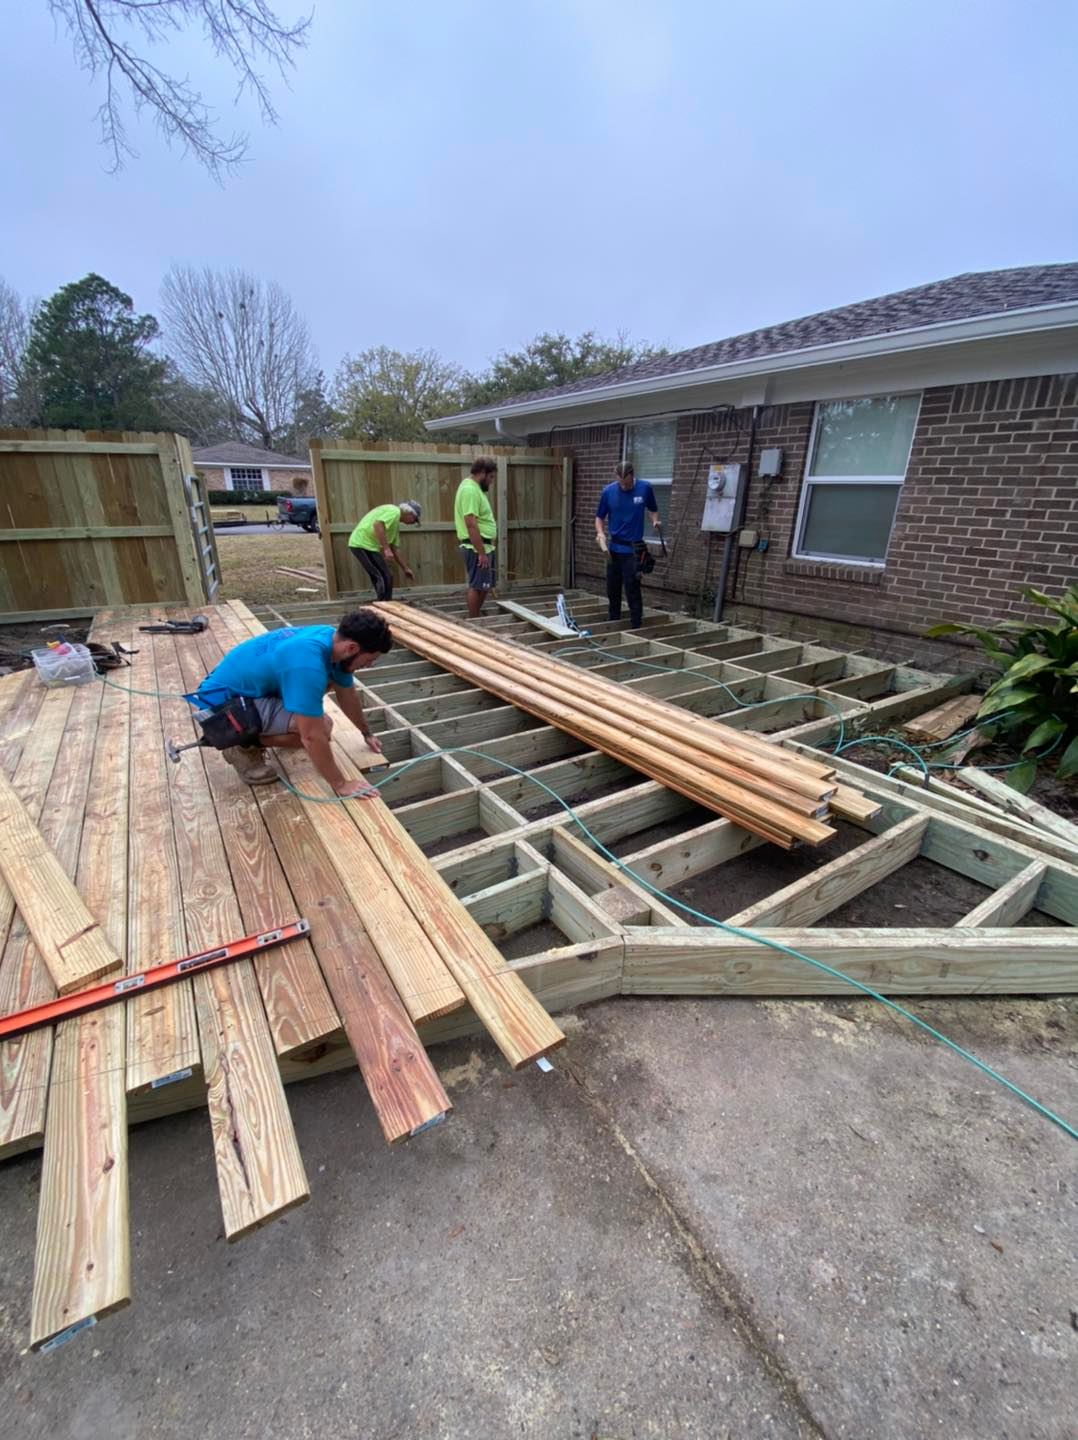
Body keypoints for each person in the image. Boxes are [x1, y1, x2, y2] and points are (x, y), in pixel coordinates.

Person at [189, 609, 392, 797]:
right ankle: (242, 746)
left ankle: (263, 729)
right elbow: (311, 736)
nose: (369, 665)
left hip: (244, 693)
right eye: (369, 659)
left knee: (324, 695)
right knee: (321, 729)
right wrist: (341, 784)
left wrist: (366, 733)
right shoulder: (307, 663)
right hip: (221, 708)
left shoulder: (331, 641)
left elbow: (348, 695)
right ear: (352, 648)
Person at [595, 461, 662, 628]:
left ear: (632, 475)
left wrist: (655, 521)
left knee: (632, 588)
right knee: (612, 587)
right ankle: (614, 619)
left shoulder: (645, 488)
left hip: (633, 549)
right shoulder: (608, 491)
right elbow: (599, 517)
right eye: (621, 483)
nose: (624, 486)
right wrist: (600, 532)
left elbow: (653, 509)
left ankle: (636, 624)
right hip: (613, 549)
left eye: (626, 483)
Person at [348, 500, 422, 600]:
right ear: (410, 514)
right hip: (361, 543)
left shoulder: (395, 525)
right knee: (382, 576)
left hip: (369, 546)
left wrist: (405, 568)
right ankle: (383, 603)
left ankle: (386, 602)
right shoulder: (394, 511)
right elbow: (377, 525)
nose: (413, 523)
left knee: (386, 575)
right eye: (414, 520)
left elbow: (394, 549)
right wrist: (386, 549)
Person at [454, 457, 498, 617]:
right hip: (476, 548)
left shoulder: (475, 489)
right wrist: (481, 553)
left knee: (484, 586)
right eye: (491, 477)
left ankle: (475, 616)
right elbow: (471, 524)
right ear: (482, 473)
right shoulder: (470, 490)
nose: (491, 481)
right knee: (477, 586)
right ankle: (473, 620)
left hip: (483, 547)